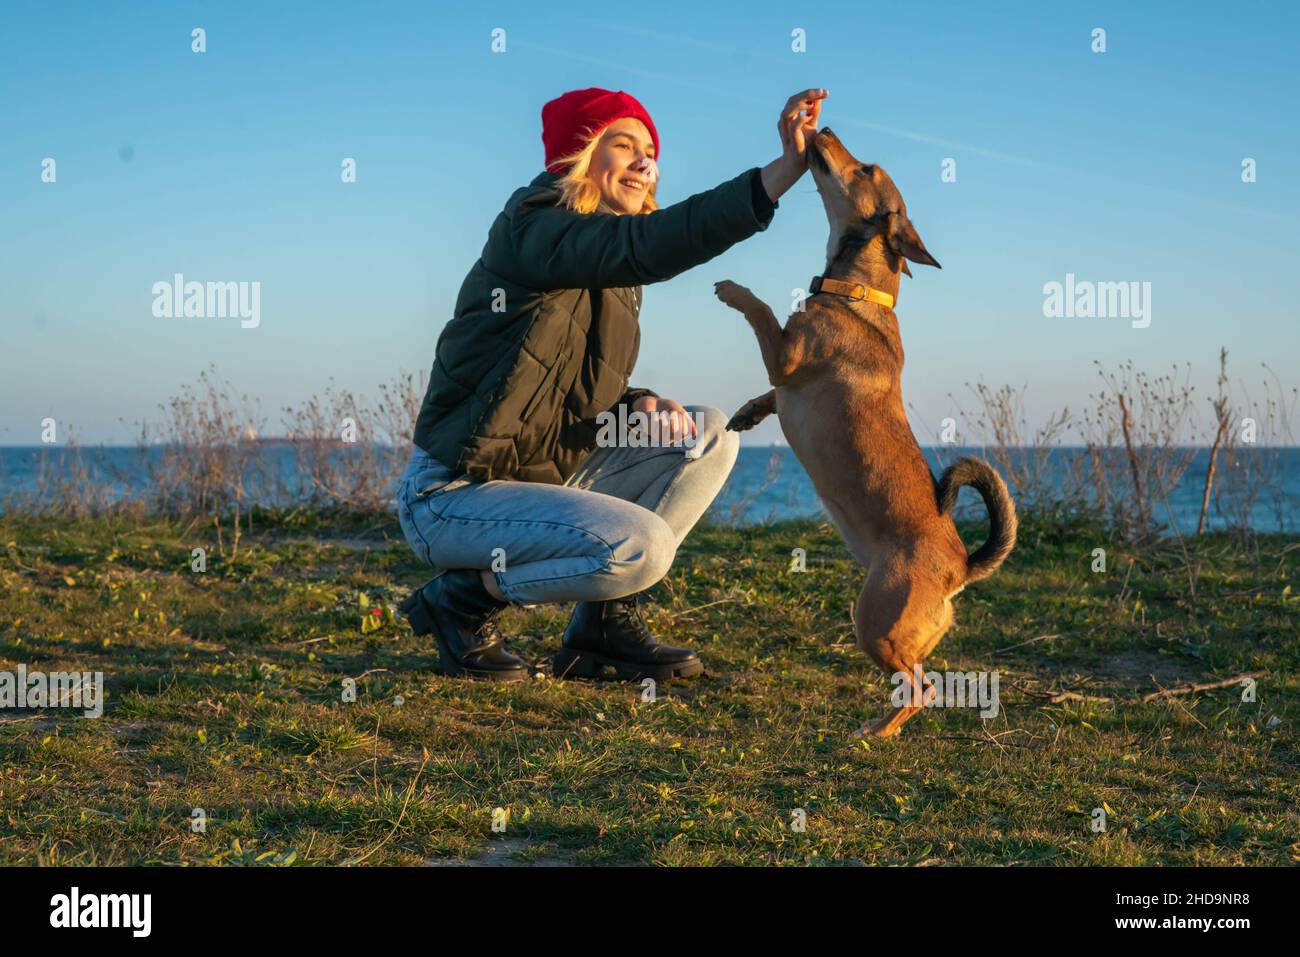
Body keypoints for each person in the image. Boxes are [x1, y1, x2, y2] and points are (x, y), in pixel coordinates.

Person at [396, 85, 827, 682]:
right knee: (640, 546)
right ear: (578, 155)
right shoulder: (532, 225)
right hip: (454, 496)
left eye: (650, 151)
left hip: (544, 478)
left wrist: (637, 402)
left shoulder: (614, 270)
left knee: (708, 433)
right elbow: (645, 247)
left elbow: (565, 381)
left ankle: (601, 626)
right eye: (623, 145)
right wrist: (778, 175)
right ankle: (461, 601)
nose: (646, 163)